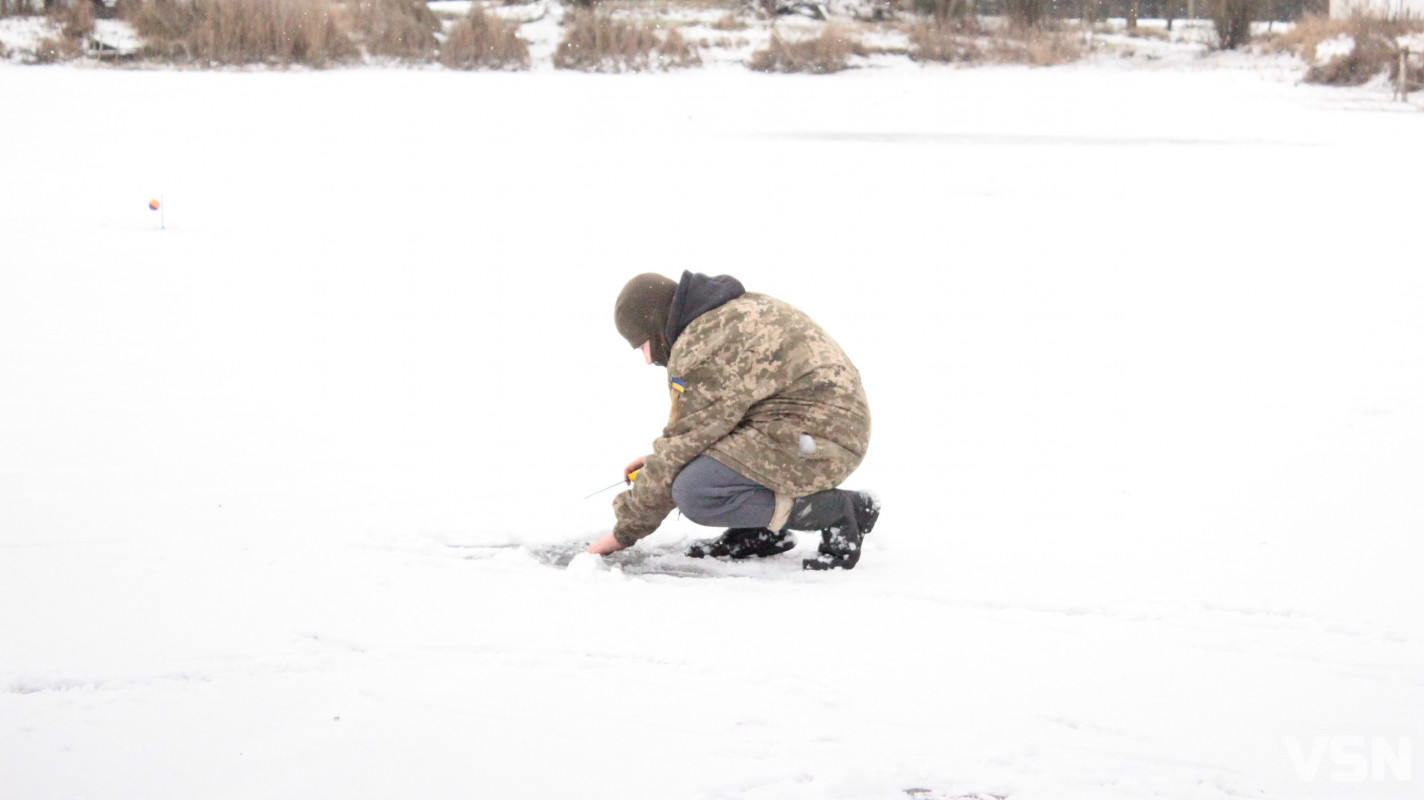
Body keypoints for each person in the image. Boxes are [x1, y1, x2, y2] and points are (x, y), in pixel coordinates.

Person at [585, 271, 878, 570]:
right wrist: (661, 460)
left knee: (696, 491)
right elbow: (710, 426)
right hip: (822, 424)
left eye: (642, 344)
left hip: (824, 436)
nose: (648, 359)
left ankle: (840, 512)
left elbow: (685, 443)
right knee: (695, 469)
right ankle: (760, 531)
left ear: (656, 323)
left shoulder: (701, 344)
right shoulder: (724, 316)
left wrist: (623, 533)